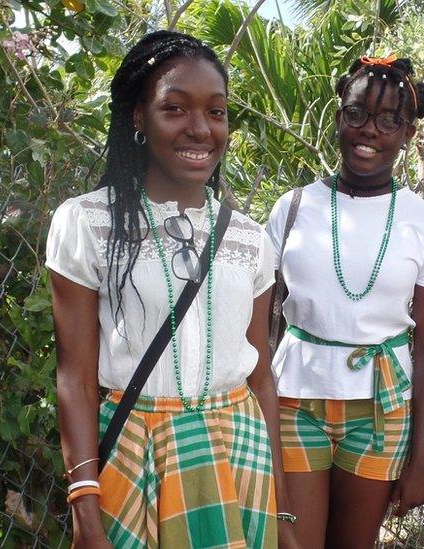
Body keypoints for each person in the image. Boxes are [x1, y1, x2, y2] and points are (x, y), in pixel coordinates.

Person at [46, 30, 297, 548]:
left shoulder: (249, 241)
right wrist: (84, 503)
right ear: (139, 118)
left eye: (217, 112)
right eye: (176, 109)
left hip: (238, 449)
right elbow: (75, 377)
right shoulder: (87, 223)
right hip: (136, 453)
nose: (200, 129)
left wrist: (282, 510)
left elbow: (262, 379)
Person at [267, 54, 424, 548]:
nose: (369, 131)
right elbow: (257, 326)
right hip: (294, 402)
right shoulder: (293, 208)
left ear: (409, 132)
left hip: (382, 410)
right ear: (339, 117)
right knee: (293, 543)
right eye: (356, 114)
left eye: (389, 120)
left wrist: (423, 460)